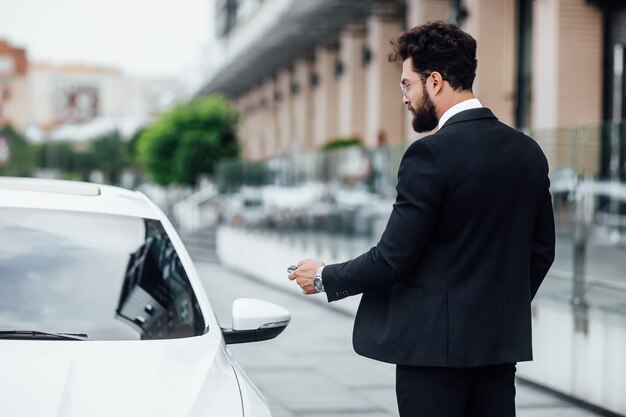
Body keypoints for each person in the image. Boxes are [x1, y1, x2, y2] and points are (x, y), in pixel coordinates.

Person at [287, 21, 556, 417]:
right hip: (497, 350)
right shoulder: (528, 152)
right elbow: (542, 251)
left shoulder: (429, 155)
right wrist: (492, 311)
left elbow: (394, 257)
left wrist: (326, 276)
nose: (404, 98)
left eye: (406, 84)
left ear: (434, 81)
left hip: (432, 359)